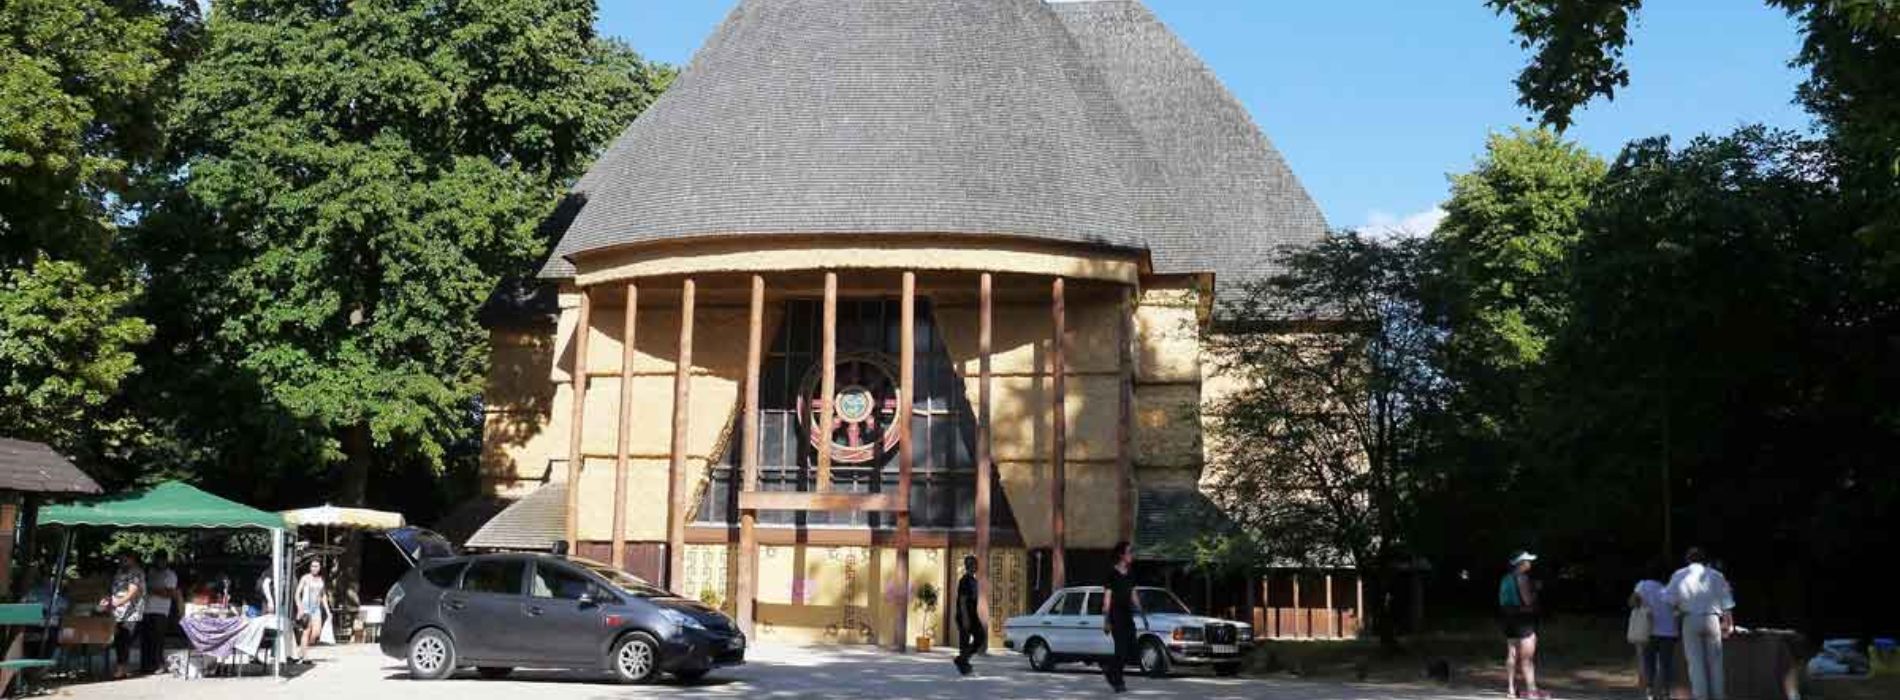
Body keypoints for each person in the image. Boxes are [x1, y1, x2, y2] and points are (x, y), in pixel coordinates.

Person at [1666, 547, 1735, 700]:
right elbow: (1726, 602)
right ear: (1704, 559)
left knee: (1695, 661)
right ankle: (1717, 695)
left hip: (1690, 618)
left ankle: (1701, 696)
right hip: (1712, 619)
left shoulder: (1680, 574)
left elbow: (1669, 600)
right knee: (1715, 661)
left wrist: (1678, 610)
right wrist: (1728, 623)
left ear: (1687, 559)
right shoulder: (1716, 575)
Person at [1499, 551, 1546, 699]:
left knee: (1512, 653)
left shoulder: (1505, 579)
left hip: (1508, 618)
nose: (1529, 563)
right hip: (1523, 619)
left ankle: (1511, 690)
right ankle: (1532, 691)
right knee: (1527, 658)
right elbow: (1527, 601)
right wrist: (1536, 590)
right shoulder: (1522, 578)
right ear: (1520, 564)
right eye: (1527, 561)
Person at [1632, 559, 1680, 700]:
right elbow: (1678, 609)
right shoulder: (1671, 588)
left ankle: (1650, 692)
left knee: (1649, 663)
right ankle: (1666, 693)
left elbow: (1632, 602)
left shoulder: (1642, 585)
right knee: (1666, 664)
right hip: (1669, 632)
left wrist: (1644, 606)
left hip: (1648, 631)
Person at [1100, 541, 1141, 693]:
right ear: (1122, 555)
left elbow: (1133, 594)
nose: (1132, 555)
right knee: (1121, 650)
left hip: (1127, 615)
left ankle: (1110, 669)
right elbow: (1107, 598)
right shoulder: (1112, 573)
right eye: (1129, 552)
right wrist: (1106, 620)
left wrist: (1142, 611)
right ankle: (1118, 681)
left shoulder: (1131, 573)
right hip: (1115, 615)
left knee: (1132, 648)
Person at [98, 553, 146, 679]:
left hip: (131, 612)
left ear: (132, 559)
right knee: (119, 640)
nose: (121, 561)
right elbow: (114, 590)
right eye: (120, 559)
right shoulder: (119, 571)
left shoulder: (136, 572)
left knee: (124, 639)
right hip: (117, 612)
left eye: (124, 558)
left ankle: (121, 669)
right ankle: (122, 668)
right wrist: (108, 600)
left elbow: (132, 592)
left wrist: (118, 603)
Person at [138, 552, 182, 674]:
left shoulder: (170, 575)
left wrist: (153, 590)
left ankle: (159, 664)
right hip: (146, 609)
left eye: (161, 560)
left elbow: (171, 593)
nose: (159, 563)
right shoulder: (150, 572)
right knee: (145, 639)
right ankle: (145, 665)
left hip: (160, 611)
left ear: (165, 561)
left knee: (158, 640)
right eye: (157, 560)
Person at [952, 555, 983, 676]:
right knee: (964, 641)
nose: (975, 566)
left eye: (975, 564)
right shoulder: (964, 581)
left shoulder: (973, 581)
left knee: (980, 637)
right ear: (968, 566)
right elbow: (962, 600)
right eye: (973, 564)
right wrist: (965, 617)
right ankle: (964, 666)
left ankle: (962, 659)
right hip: (964, 615)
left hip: (973, 615)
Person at [296, 559, 329, 656]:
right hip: (306, 607)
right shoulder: (305, 578)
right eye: (312, 566)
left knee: (316, 633)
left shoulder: (321, 579)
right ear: (310, 567)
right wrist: (299, 607)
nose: (314, 568)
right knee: (306, 631)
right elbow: (297, 594)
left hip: (316, 608)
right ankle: (303, 655)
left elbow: (323, 595)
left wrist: (327, 611)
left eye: (316, 566)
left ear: (319, 568)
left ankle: (302, 650)